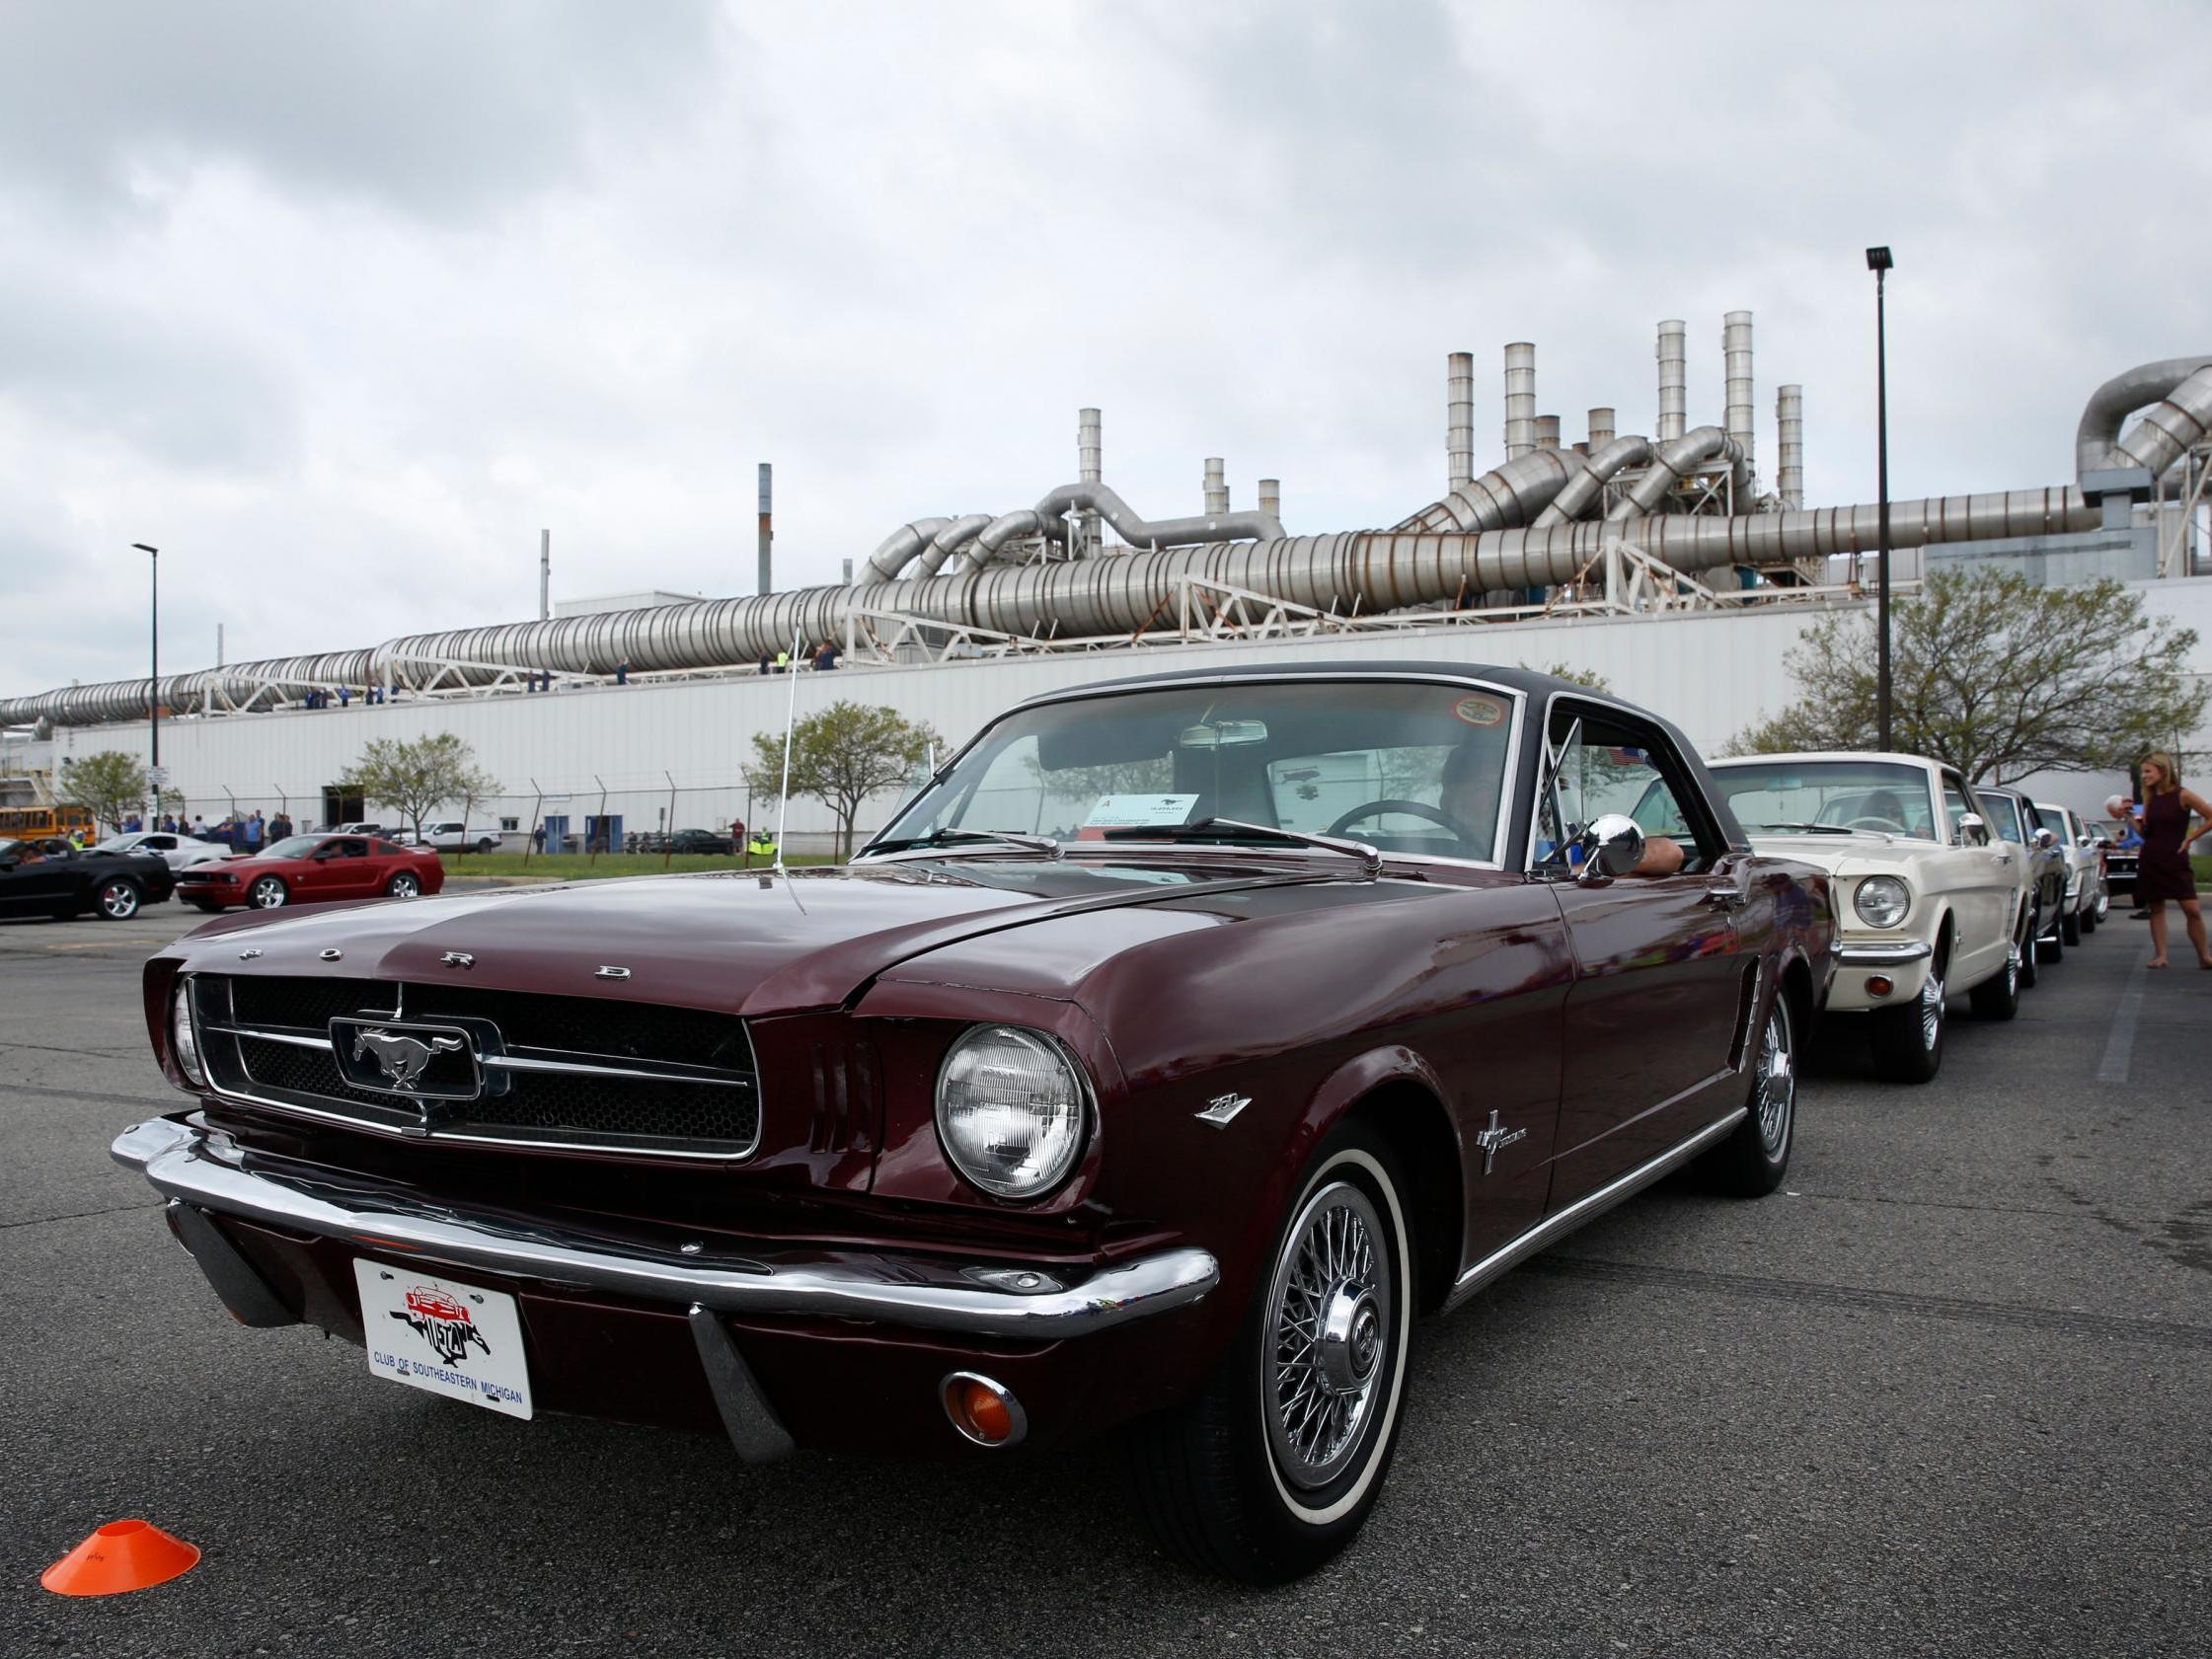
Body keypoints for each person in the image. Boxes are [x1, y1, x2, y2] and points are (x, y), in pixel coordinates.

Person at [2133, 753, 2212, 968]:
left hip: (2175, 859)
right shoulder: (2149, 798)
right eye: (2143, 772)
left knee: (2192, 909)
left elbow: (2210, 816)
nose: (2144, 776)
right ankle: (2161, 955)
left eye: (2148, 771)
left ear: (2163, 771)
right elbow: (2146, 833)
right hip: (2151, 858)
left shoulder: (2182, 795)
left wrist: (2190, 838)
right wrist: (2128, 817)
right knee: (2156, 907)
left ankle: (2204, 957)